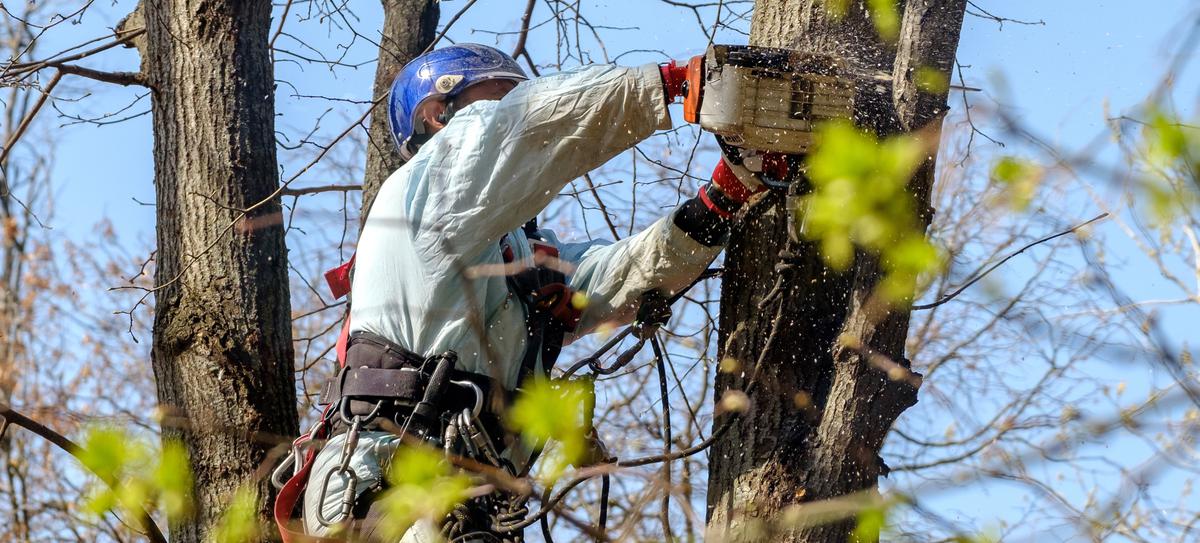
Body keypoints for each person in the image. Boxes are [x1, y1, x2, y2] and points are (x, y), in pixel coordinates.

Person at [298, 43, 775, 541]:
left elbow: (615, 278)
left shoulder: (510, 257)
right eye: (498, 95)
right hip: (384, 485)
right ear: (439, 116)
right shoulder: (422, 191)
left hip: (464, 500)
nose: (516, 101)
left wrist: (724, 196)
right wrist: (676, 82)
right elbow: (525, 127)